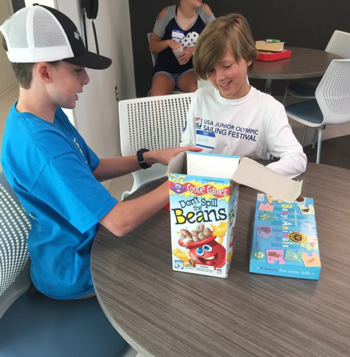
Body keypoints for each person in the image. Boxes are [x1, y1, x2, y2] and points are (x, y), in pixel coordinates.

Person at [0, 5, 200, 300]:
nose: (86, 80)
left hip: (85, 244)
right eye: (77, 71)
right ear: (44, 72)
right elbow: (118, 222)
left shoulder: (44, 116)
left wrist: (151, 156)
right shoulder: (41, 147)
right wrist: (183, 184)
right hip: (75, 271)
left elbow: (90, 168)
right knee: (184, 273)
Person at [180, 13, 307, 178]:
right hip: (206, 187)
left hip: (247, 190)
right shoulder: (200, 99)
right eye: (210, 70)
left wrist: (248, 176)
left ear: (247, 58)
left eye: (226, 66)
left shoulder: (269, 109)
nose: (219, 78)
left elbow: (297, 159)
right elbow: (186, 148)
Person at [149, 0, 215, 96]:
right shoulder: (167, 13)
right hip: (165, 70)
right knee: (155, 105)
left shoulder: (204, 11)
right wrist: (168, 42)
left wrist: (194, 49)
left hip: (189, 70)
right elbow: (152, 46)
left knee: (199, 95)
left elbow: (217, 39)